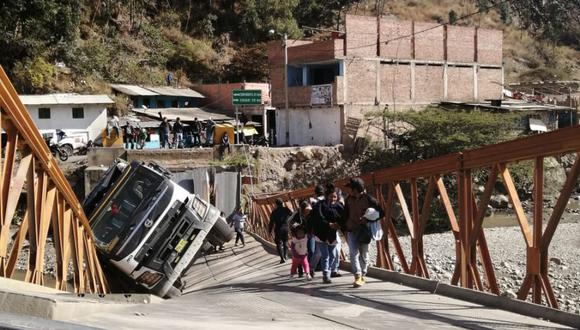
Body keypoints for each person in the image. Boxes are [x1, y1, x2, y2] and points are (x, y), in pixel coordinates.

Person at [342, 177, 384, 288]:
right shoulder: (348, 200)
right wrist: (343, 227)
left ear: (355, 189)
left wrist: (368, 219)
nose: (348, 190)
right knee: (353, 253)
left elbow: (381, 213)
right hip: (352, 230)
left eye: (349, 188)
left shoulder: (369, 199)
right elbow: (345, 215)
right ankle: (358, 276)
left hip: (364, 231)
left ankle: (363, 274)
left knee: (364, 255)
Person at [310, 183, 343, 284]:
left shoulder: (338, 206)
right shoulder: (320, 205)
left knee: (332, 255)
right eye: (331, 196)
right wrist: (328, 224)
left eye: (335, 197)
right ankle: (326, 275)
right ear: (327, 196)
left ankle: (315, 269)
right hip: (321, 234)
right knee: (325, 255)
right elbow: (318, 218)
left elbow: (343, 218)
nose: (333, 199)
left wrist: (338, 224)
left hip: (332, 235)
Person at [288, 200, 312, 277]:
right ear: (302, 209)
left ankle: (308, 269)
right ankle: (301, 270)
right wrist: (298, 226)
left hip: (307, 235)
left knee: (310, 250)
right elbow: (289, 221)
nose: (307, 212)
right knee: (298, 253)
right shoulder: (296, 214)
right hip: (297, 236)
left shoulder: (310, 213)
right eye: (306, 210)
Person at [307, 184, 326, 278]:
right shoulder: (327, 201)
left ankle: (311, 268)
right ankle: (328, 271)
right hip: (328, 228)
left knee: (318, 251)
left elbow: (309, 215)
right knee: (331, 250)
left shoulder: (312, 202)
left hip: (317, 229)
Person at [268, 198, 292, 264]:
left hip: (278, 229)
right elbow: (292, 215)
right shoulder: (286, 209)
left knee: (278, 243)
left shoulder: (274, 212)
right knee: (285, 242)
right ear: (282, 203)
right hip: (286, 228)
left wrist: (269, 231)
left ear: (276, 204)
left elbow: (271, 222)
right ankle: (285, 255)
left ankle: (282, 258)